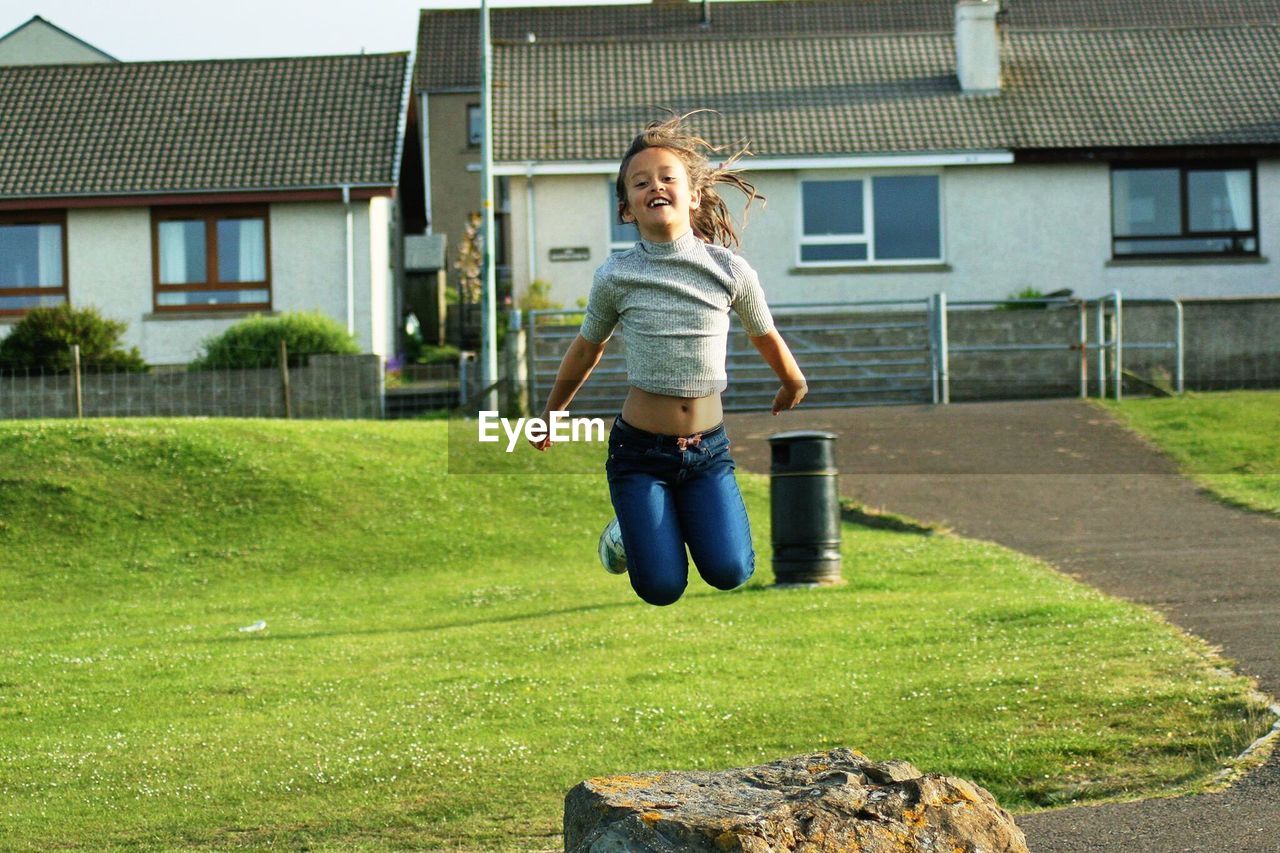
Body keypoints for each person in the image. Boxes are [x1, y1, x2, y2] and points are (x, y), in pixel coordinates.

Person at [531, 113, 807, 606]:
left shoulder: (729, 270)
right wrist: (552, 412)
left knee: (730, 572)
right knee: (661, 588)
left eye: (667, 177)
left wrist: (791, 380)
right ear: (627, 208)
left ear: (693, 195)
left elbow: (763, 333)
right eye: (641, 183)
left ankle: (655, 522)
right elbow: (585, 349)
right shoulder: (617, 275)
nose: (654, 186)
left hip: (708, 453)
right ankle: (627, 533)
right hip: (640, 454)